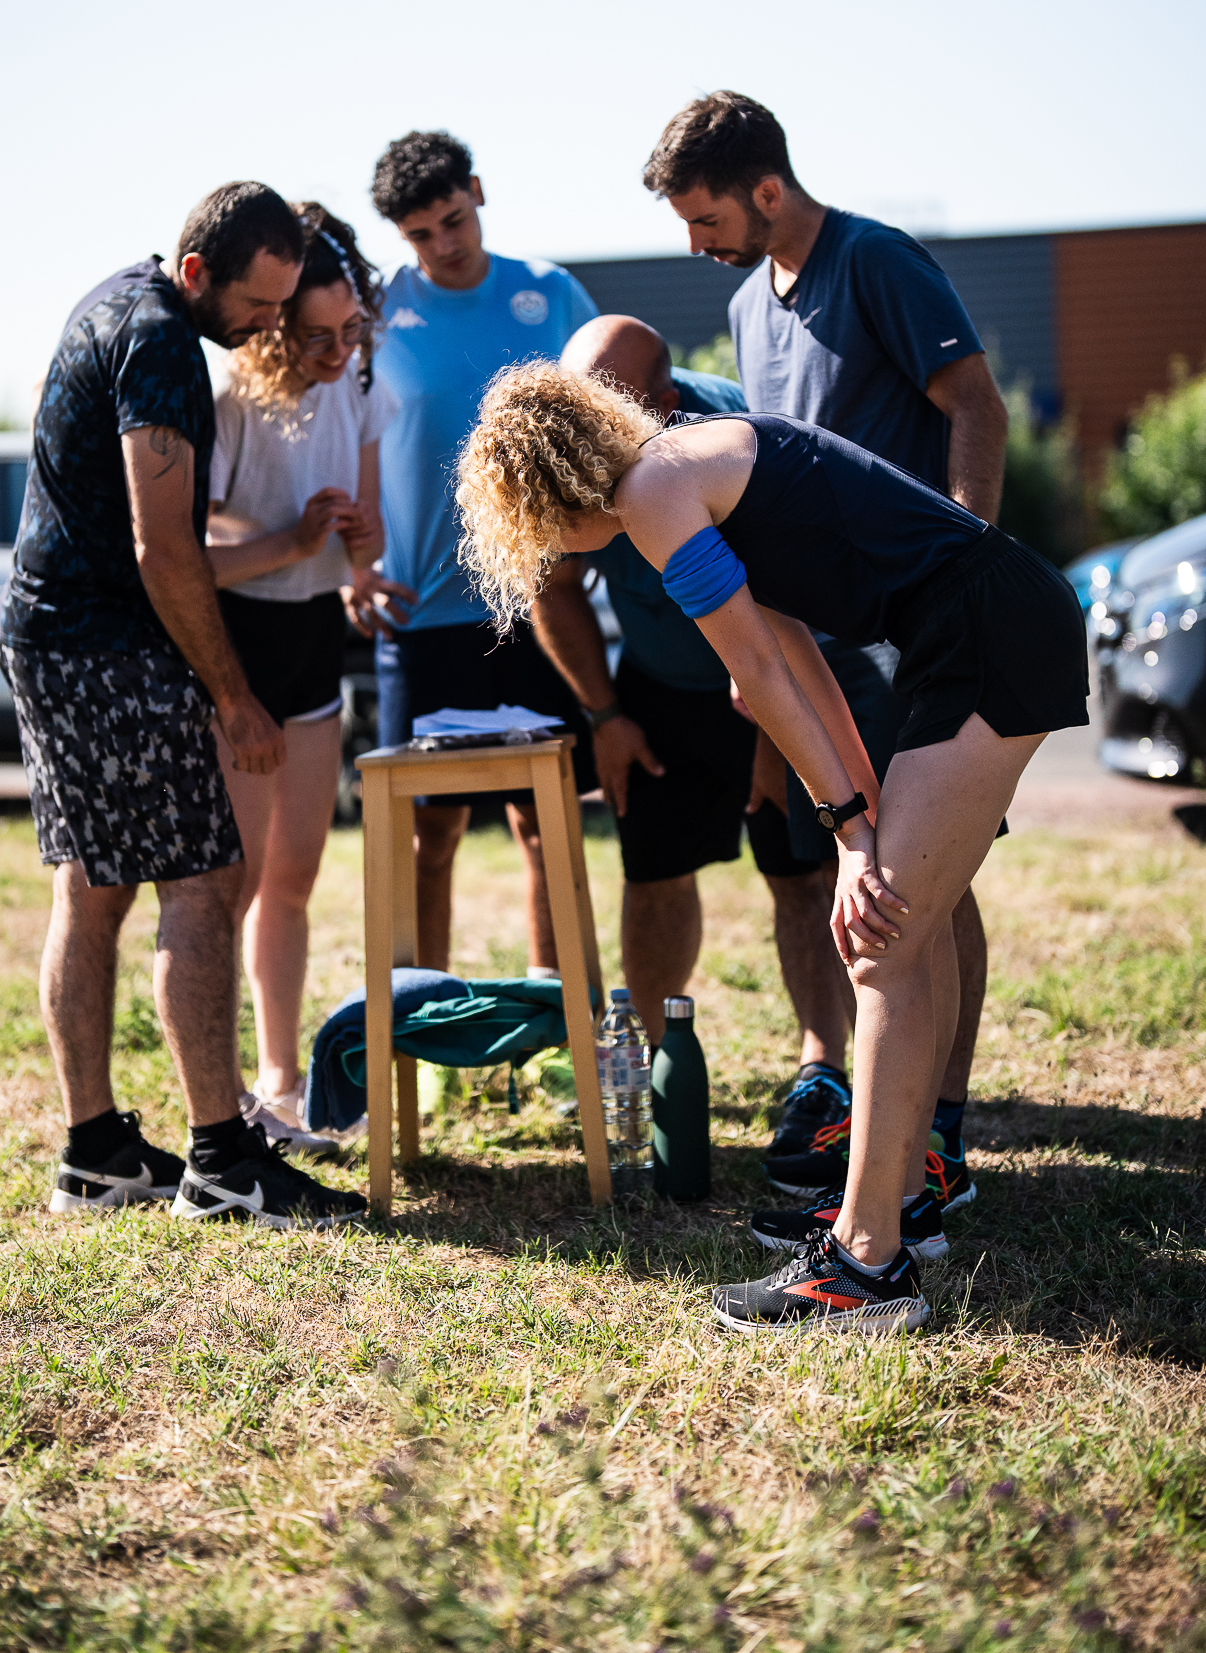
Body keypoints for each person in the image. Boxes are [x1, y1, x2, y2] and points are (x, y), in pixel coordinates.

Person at [455, 364, 1087, 1330]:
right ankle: (902, 1201)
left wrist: (847, 835)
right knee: (904, 935)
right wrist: (861, 816)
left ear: (544, 489)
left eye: (530, 528)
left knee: (880, 942)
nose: (543, 554)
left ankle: (864, 1267)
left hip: (984, 629)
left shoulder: (652, 493)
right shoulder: (692, 461)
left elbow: (752, 668)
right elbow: (789, 661)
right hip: (977, 624)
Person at [642, 93, 1010, 1213]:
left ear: (766, 189)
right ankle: (881, 1117)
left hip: (915, 626)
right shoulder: (748, 304)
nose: (695, 245)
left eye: (706, 219)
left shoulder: (876, 260)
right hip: (819, 644)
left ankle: (939, 1134)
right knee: (856, 880)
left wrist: (968, 568)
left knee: (927, 881)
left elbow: (976, 407)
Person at [0, 181, 365, 1231]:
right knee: (204, 882)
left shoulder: (117, 300)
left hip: (50, 636)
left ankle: (95, 1152)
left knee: (90, 889)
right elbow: (166, 547)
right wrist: (234, 696)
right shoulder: (160, 337)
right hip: (104, 649)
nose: (266, 325)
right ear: (198, 270)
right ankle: (223, 1160)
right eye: (256, 304)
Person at [368, 129, 600, 972]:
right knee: (428, 833)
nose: (443, 245)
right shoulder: (374, 313)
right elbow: (338, 439)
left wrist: (582, 552)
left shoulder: (551, 293)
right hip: (421, 612)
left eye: (452, 220)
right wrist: (355, 565)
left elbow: (603, 429)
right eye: (420, 234)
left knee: (546, 823)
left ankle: (557, 1013)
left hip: (541, 605)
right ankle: (424, 1016)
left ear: (476, 191)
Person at [206, 204, 399, 1150]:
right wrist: (291, 540)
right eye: (317, 336)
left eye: (351, 330)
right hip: (236, 649)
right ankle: (221, 1095)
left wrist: (362, 556)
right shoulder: (229, 394)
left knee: (293, 877)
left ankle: (280, 1084)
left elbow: (368, 532)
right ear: (275, 325)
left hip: (315, 642)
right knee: (230, 884)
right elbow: (192, 554)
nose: (339, 351)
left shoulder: (355, 382)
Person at [530, 316, 750, 1045]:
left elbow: (789, 601)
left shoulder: (733, 431)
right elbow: (553, 588)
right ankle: (655, 1054)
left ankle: (824, 1068)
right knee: (654, 876)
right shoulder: (566, 442)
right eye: (580, 407)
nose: (590, 430)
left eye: (609, 413)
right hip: (655, 680)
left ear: (663, 403)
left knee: (802, 875)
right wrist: (605, 715)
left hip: (765, 674)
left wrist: (782, 734)